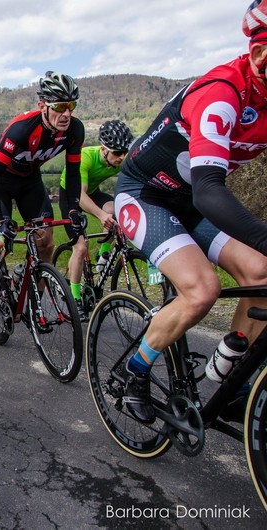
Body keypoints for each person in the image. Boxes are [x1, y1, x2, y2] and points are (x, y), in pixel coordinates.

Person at [116, 0, 267, 424]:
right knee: (202, 290)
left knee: (260, 272)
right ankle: (135, 370)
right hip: (146, 195)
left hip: (191, 199)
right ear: (260, 55)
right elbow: (208, 191)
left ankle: (232, 381)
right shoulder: (223, 93)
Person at [0, 71, 86, 265]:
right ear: (42, 106)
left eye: (71, 106)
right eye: (59, 107)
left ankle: (36, 283)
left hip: (30, 182)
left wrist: (73, 210)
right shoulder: (22, 128)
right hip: (0, 182)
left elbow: (73, 173)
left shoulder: (75, 130)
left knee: (45, 243)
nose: (66, 114)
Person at [58, 120, 134, 316]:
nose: (121, 157)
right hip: (72, 196)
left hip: (92, 193)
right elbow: (80, 195)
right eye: (117, 153)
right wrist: (101, 215)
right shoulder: (86, 158)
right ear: (103, 149)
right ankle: (74, 297)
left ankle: (103, 254)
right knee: (80, 247)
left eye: (124, 152)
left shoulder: (121, 160)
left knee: (117, 212)